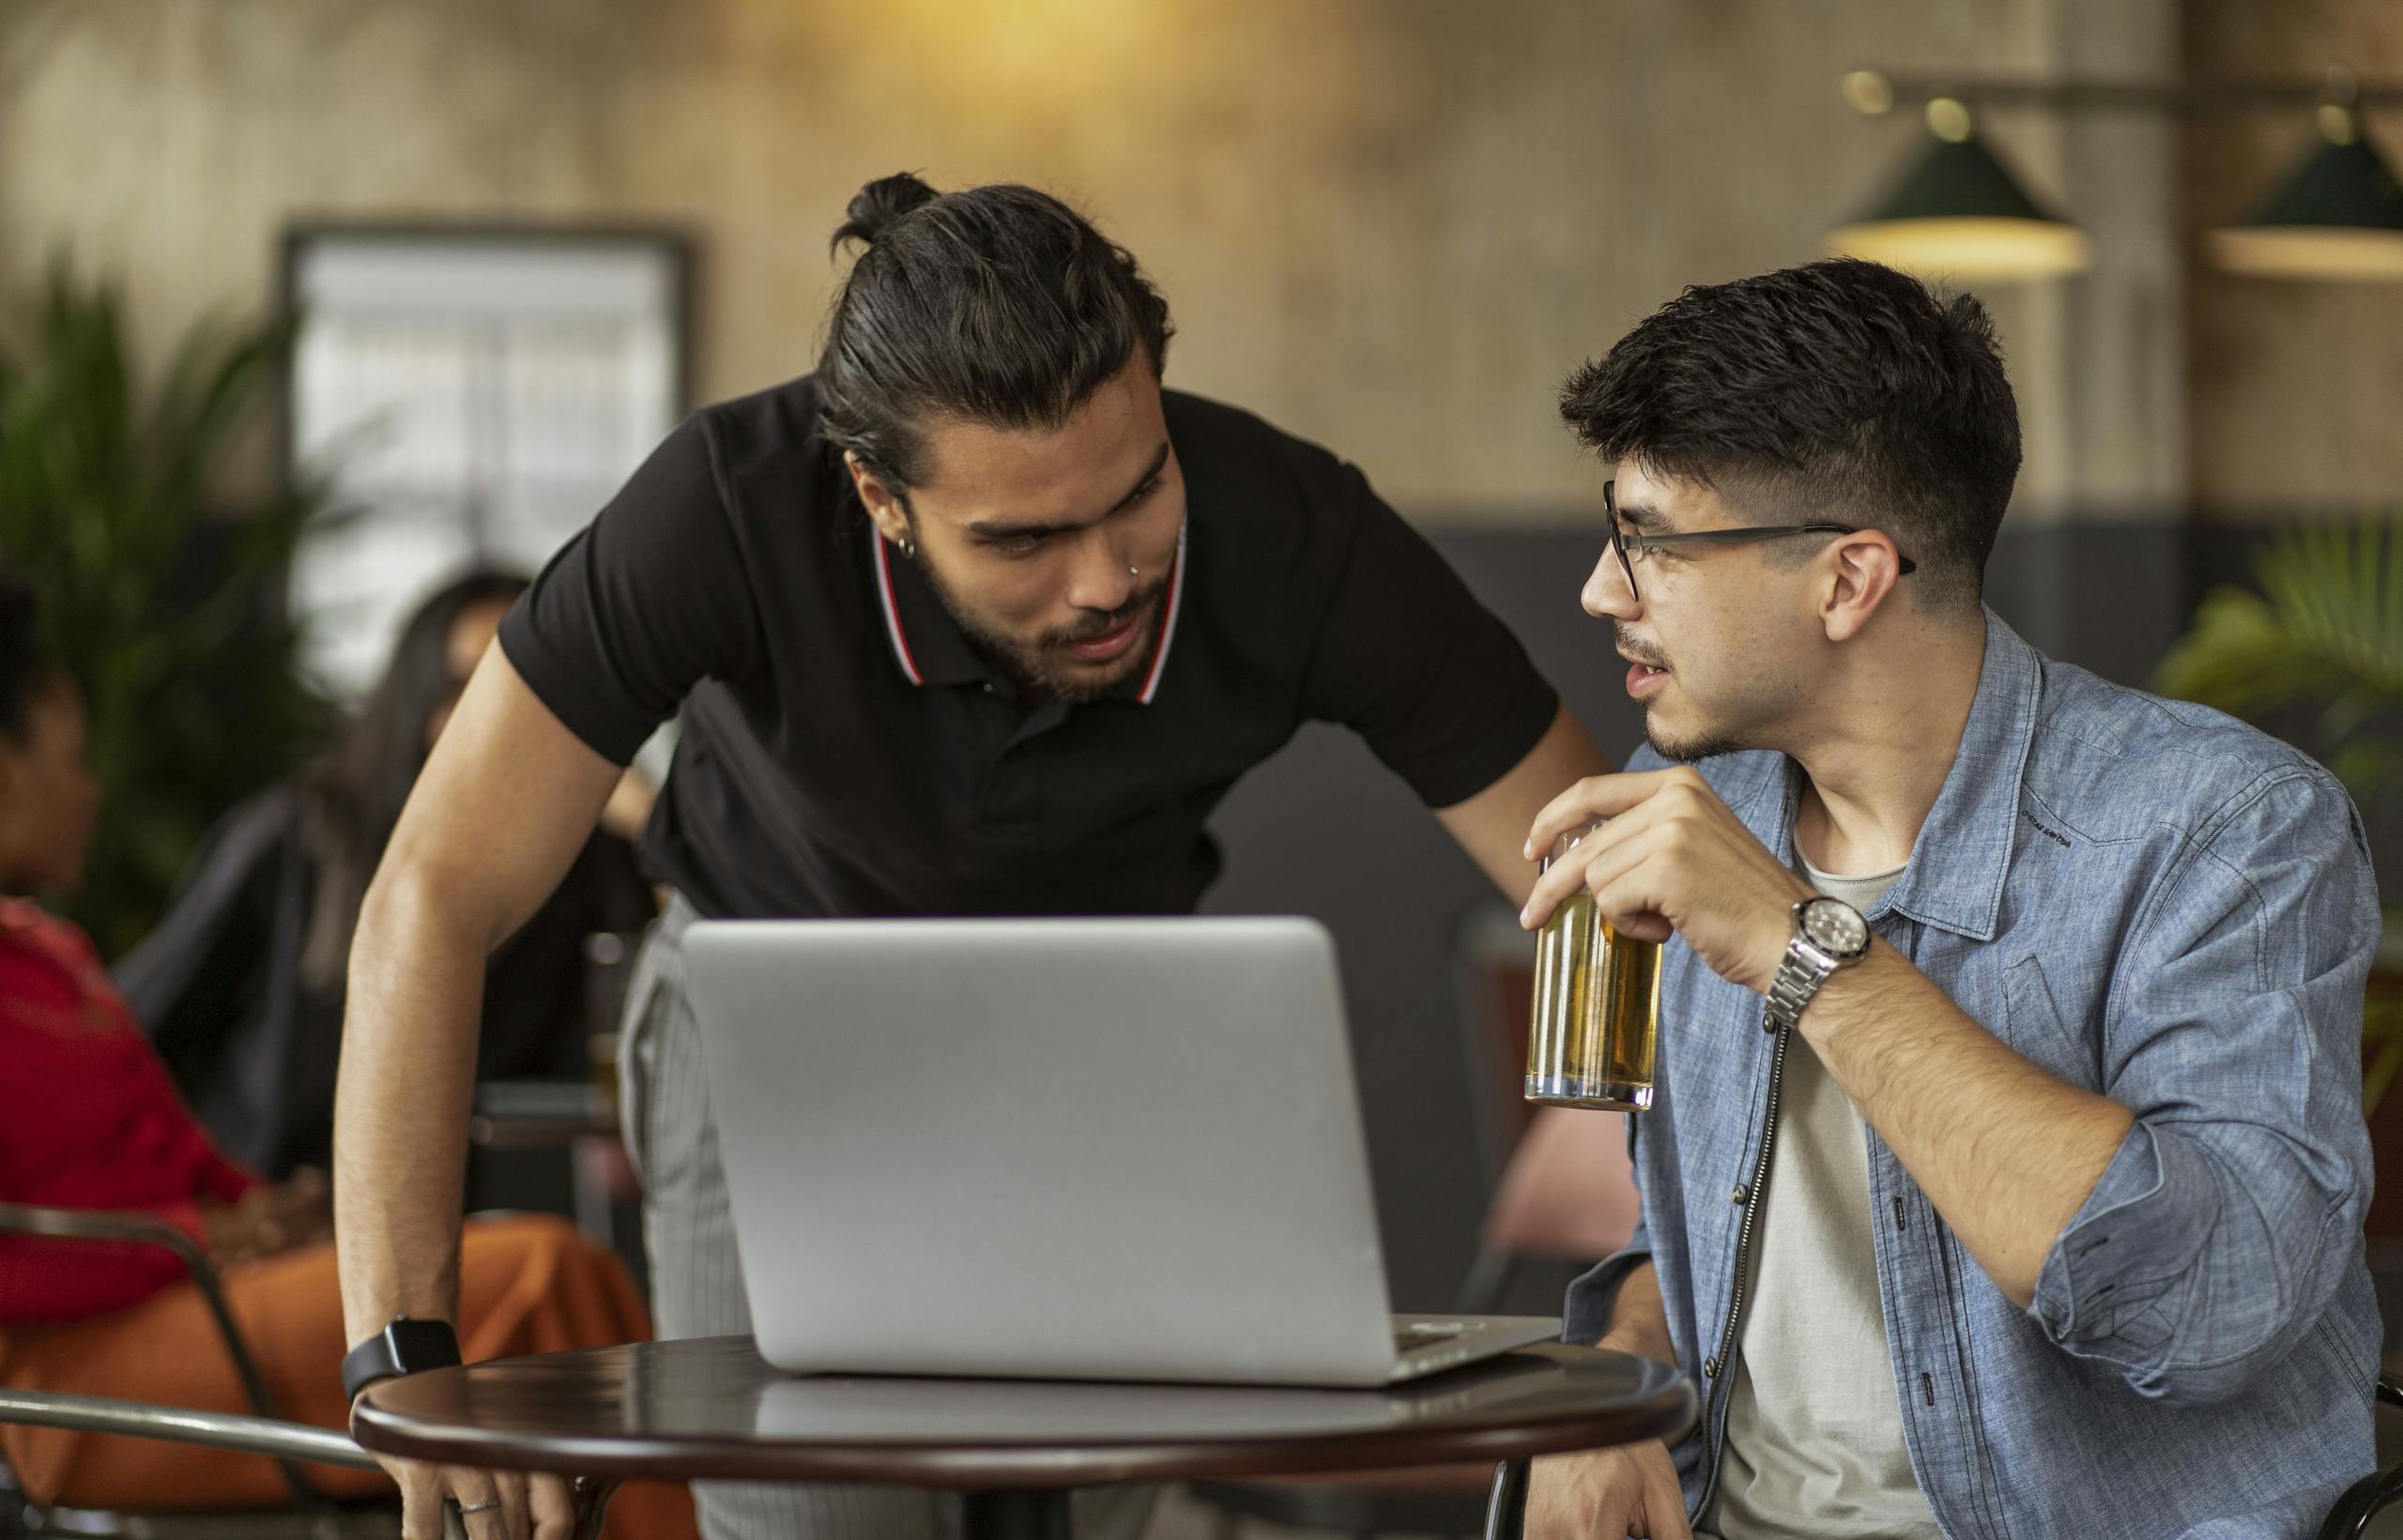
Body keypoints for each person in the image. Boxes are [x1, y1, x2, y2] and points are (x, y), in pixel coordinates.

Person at [333, 173, 1611, 1540]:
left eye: (1138, 492)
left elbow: (1604, 887)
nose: (1106, 578)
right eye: (1023, 539)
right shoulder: (724, 506)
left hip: (1101, 1021)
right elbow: (436, 889)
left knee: (1092, 1519)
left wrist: (1635, 1288)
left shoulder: (1300, 531)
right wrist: (404, 1356)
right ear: (878, 497)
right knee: (828, 1526)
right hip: (769, 1014)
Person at [1517, 259, 2378, 1539]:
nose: (1602, 588)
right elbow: (1695, 1232)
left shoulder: (2225, 829)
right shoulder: (1690, 804)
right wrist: (1613, 1385)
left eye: (1651, 542)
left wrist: (1801, 947)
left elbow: (2213, 1310)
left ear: (1848, 580)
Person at [0, 560, 695, 1540]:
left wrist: (252, 1210)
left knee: (552, 1304)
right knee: (543, 1276)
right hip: (92, 1352)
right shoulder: (297, 841)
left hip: (244, 1270)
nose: (94, 790)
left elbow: (168, 1140)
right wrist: (202, 1233)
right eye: (74, 760)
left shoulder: (53, 953)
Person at [115, 571, 656, 1180]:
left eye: (529, 697)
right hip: (276, 1195)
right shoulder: (297, 839)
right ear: (413, 698)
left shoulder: (577, 869)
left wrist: (641, 817)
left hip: (471, 1215)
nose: (495, 723)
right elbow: (134, 1028)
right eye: (459, 690)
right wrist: (201, 1190)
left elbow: (637, 1036)